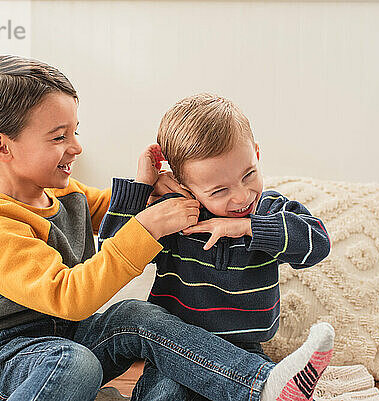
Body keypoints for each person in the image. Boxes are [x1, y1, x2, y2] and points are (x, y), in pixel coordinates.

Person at [0, 55, 334, 401]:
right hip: (5, 356)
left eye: (75, 132)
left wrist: (147, 188)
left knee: (134, 315)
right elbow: (69, 297)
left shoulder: (64, 196)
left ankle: (263, 386)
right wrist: (148, 227)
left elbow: (113, 214)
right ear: (0, 147)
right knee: (74, 364)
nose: (76, 147)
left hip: (67, 338)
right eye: (59, 137)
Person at [99, 93, 332, 400]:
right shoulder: (176, 216)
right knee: (164, 394)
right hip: (174, 349)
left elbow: (317, 244)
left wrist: (248, 227)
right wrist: (142, 185)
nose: (241, 196)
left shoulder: (269, 212)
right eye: (219, 190)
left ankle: (268, 385)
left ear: (257, 154)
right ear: (184, 186)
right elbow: (112, 250)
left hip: (243, 352)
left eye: (248, 175)